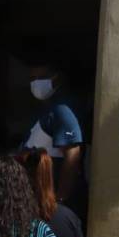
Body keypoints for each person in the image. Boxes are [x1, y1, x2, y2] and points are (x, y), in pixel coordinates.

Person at [23, 59, 87, 220]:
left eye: (42, 77)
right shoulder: (47, 111)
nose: (36, 83)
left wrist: (59, 201)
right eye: (32, 79)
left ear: (57, 78)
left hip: (52, 208)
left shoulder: (62, 110)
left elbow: (72, 156)